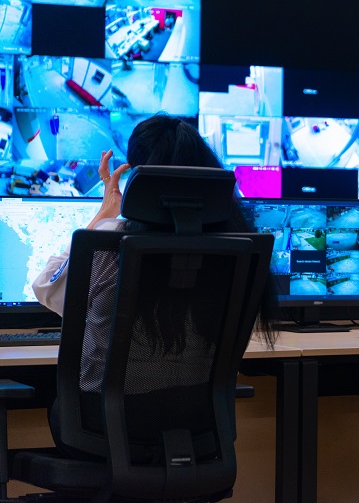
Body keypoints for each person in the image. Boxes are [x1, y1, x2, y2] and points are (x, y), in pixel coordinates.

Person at [32, 114, 279, 392]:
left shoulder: (111, 241)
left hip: (107, 424)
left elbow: (46, 288)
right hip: (198, 424)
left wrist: (103, 213)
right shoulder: (235, 245)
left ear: (138, 175)